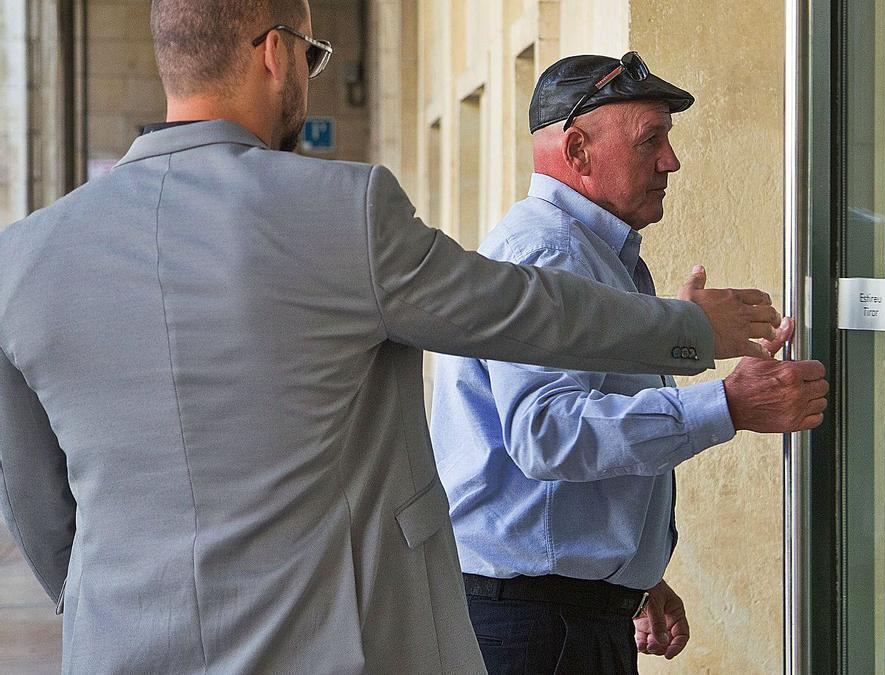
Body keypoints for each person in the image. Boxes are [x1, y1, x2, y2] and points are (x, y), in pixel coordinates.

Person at [0, 3, 782, 672]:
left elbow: (38, 510)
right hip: (332, 646)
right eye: (311, 53)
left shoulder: (22, 261)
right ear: (275, 53)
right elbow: (526, 310)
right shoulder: (345, 211)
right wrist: (690, 332)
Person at [430, 53, 829, 674]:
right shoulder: (549, 249)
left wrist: (628, 575)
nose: (671, 162)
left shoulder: (585, 250)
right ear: (578, 149)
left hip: (554, 615)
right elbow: (549, 434)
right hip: (537, 625)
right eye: (652, 141)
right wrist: (729, 403)